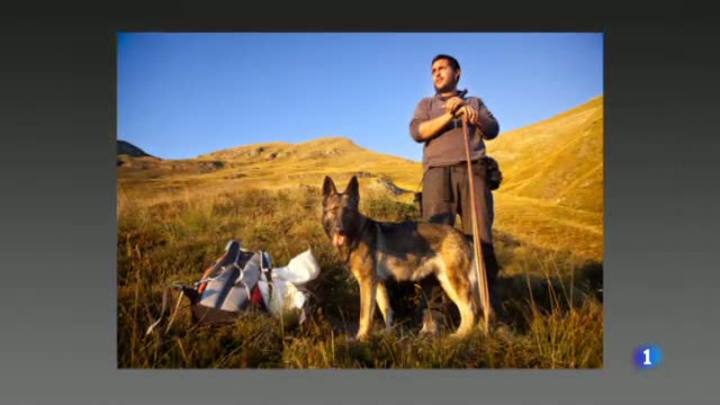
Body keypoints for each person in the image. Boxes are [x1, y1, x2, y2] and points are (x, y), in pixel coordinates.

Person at [409, 54, 502, 330]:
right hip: (436, 174)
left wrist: (471, 114)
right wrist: (451, 113)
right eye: (433, 70)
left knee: (480, 240)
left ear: (457, 73)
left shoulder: (475, 102)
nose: (437, 73)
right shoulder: (426, 105)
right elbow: (418, 132)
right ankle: (434, 317)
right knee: (433, 243)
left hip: (473, 171)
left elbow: (493, 129)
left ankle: (487, 312)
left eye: (442, 68)